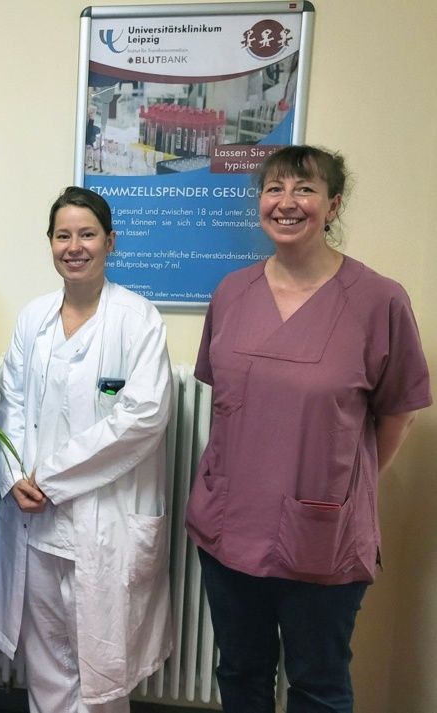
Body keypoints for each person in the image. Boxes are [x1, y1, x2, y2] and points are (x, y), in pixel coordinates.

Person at [185, 145, 431, 713]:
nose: (287, 203)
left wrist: (346, 486)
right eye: (274, 189)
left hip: (322, 534)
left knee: (318, 685)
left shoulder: (379, 300)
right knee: (241, 673)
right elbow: (228, 399)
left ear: (333, 204)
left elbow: (398, 413)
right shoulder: (231, 293)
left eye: (305, 190)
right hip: (229, 525)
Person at [0, 186, 173, 712]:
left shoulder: (139, 321)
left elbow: (143, 417)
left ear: (110, 242)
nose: (75, 245)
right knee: (46, 662)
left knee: (101, 670)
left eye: (87, 234)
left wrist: (50, 476)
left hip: (102, 523)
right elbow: (10, 405)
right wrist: (16, 474)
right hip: (37, 524)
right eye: (63, 235)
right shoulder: (33, 319)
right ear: (49, 243)